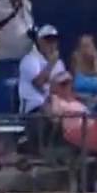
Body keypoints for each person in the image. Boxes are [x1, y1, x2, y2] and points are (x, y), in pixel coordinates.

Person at [48, 71, 97, 193]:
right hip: (74, 131)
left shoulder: (78, 100)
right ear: (56, 87)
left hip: (90, 126)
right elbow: (54, 117)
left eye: (68, 83)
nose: (67, 87)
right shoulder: (55, 99)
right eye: (62, 84)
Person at [17, 25, 66, 154]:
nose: (52, 44)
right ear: (40, 41)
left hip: (56, 104)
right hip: (33, 109)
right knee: (48, 110)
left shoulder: (59, 63)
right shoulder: (29, 60)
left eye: (54, 40)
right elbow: (39, 83)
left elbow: (63, 86)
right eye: (48, 40)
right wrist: (51, 64)